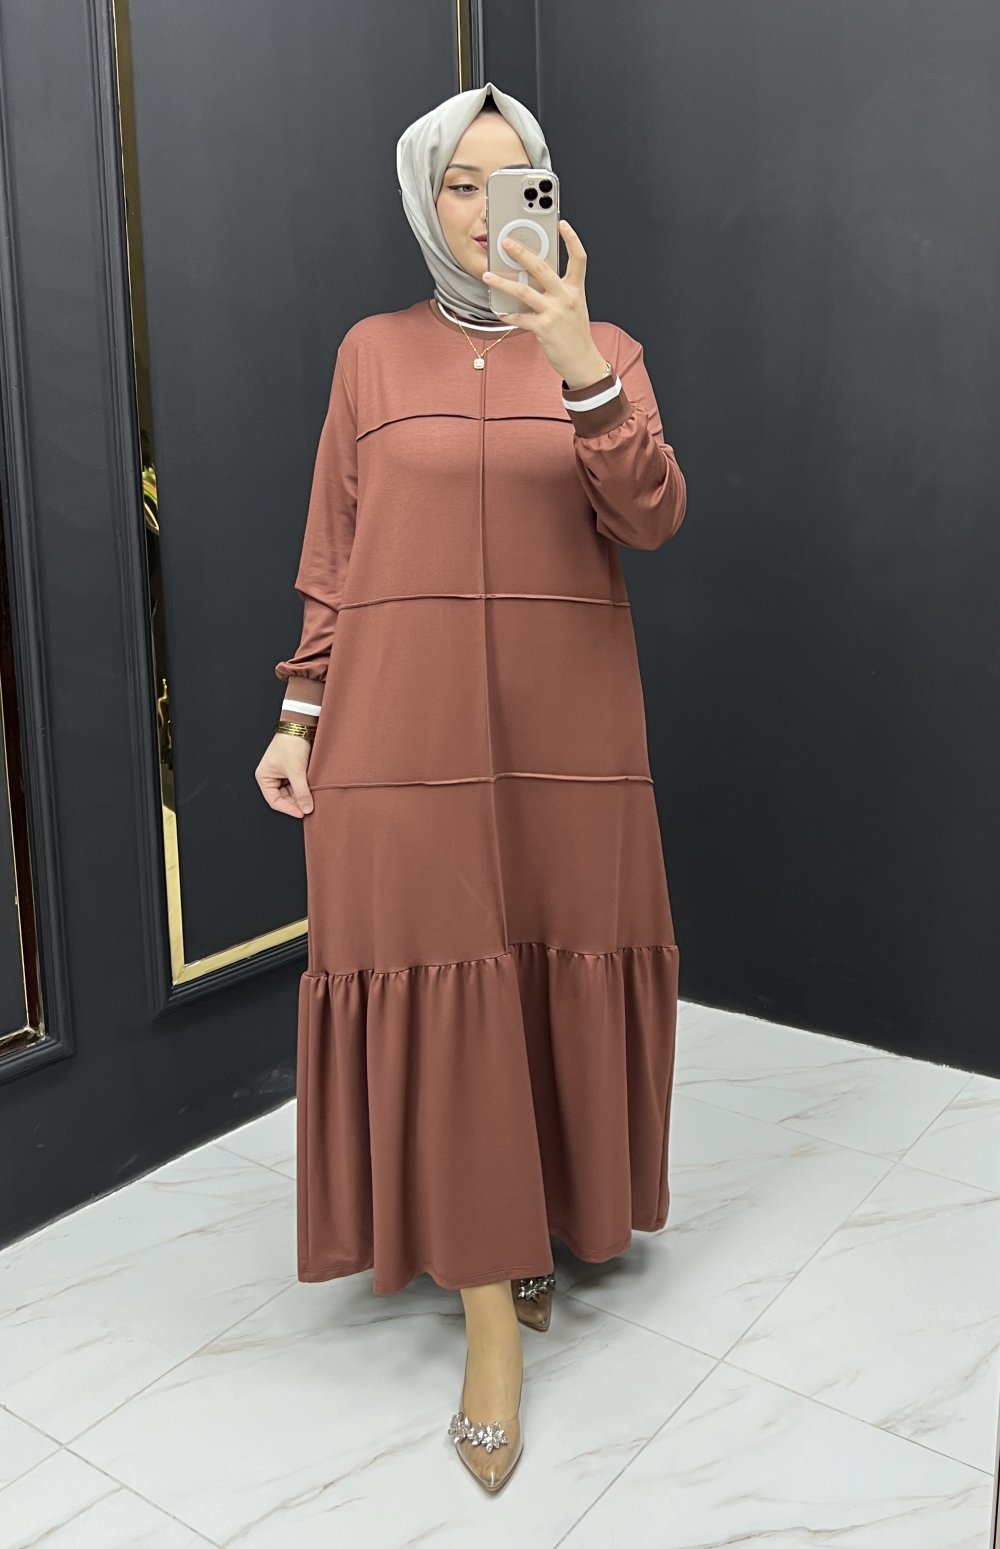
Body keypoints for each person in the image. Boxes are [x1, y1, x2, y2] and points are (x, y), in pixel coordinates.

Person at [255, 80, 687, 1495]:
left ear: (548, 195)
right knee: (443, 977)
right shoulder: (371, 355)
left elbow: (651, 515)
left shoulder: (606, 348)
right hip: (401, 736)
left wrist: (577, 358)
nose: (488, 207)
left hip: (568, 736)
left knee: (547, 966)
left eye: (518, 179)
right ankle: (490, 1321)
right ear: (422, 196)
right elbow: (336, 549)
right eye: (461, 182)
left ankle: (540, 1221)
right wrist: (300, 714)